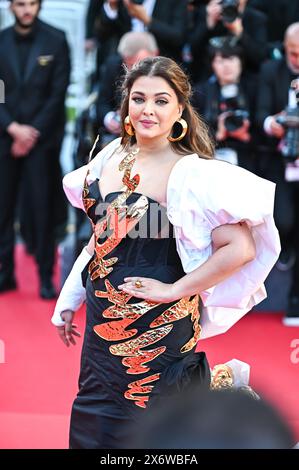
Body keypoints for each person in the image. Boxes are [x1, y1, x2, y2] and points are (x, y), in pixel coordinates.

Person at [51, 56, 280, 449]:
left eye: (161, 100)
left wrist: (175, 290)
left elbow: (240, 248)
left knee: (152, 431)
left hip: (158, 330)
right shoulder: (108, 158)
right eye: (138, 99)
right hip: (102, 328)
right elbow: (97, 240)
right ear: (126, 106)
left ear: (179, 110)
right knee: (94, 421)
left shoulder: (192, 175)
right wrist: (68, 299)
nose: (147, 110)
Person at [0, 0, 70, 299]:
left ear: (39, 6)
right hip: (5, 137)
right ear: (11, 7)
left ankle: (45, 276)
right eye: (20, 4)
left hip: (42, 141)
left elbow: (58, 93)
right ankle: (5, 274)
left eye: (31, 3)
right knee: (2, 210)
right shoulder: (0, 41)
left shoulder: (56, 39)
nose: (26, 9)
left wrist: (30, 133)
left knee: (42, 209)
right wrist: (12, 128)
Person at [256, 22, 299, 325]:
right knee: (282, 220)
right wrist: (277, 122)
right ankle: (287, 247)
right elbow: (261, 115)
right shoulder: (271, 71)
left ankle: (295, 300)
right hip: (279, 161)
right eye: (295, 54)